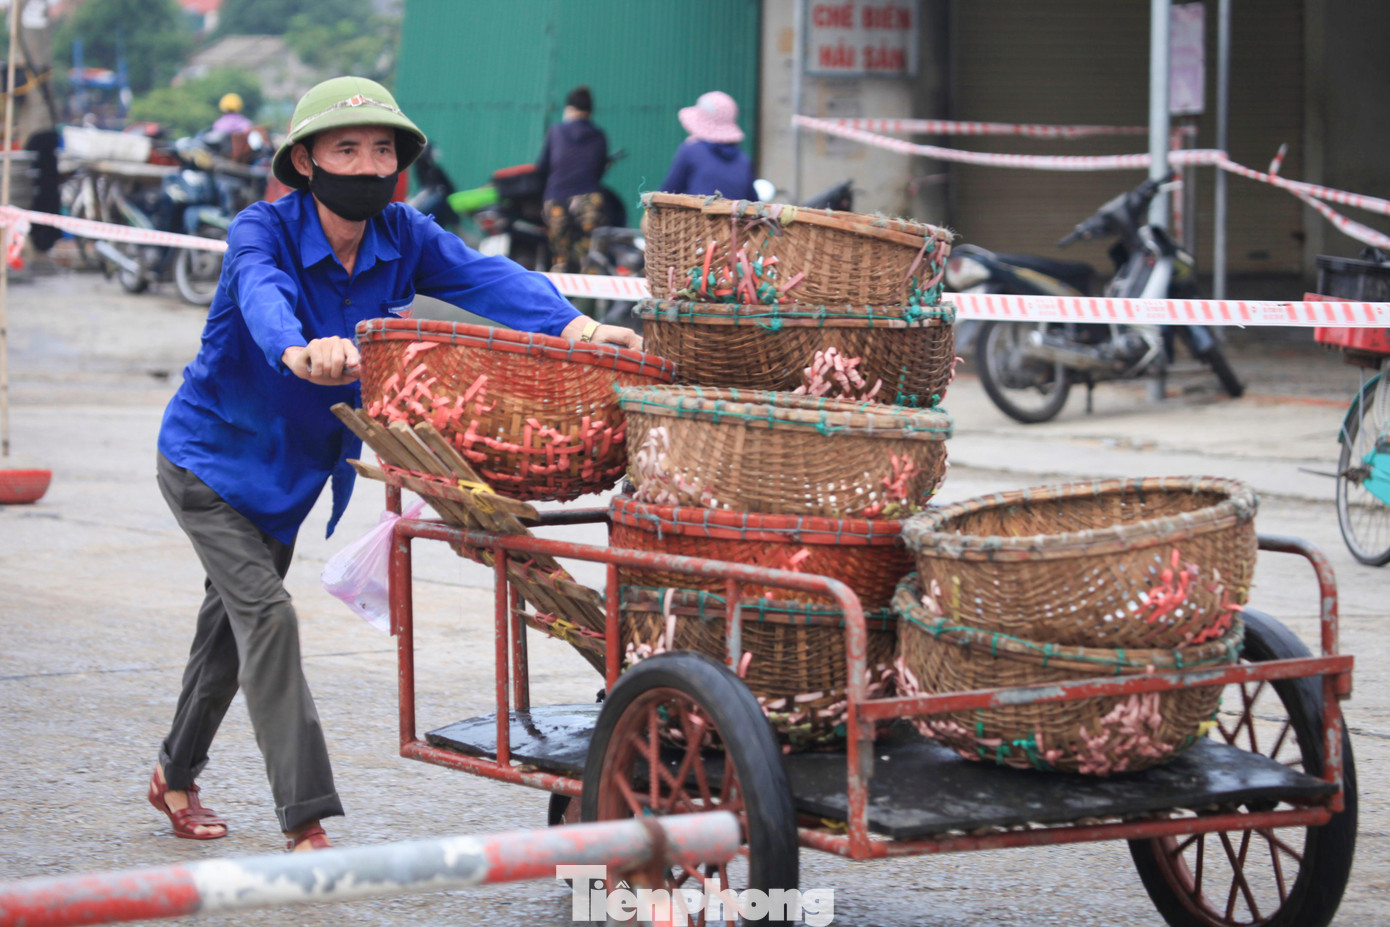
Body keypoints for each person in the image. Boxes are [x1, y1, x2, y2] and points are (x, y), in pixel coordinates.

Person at [148, 76, 639, 853]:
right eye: (348, 149)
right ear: (306, 161)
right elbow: (261, 292)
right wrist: (297, 346)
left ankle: (173, 775)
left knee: (232, 631)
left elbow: (485, 277)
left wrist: (576, 327)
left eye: (383, 150)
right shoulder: (261, 228)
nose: (369, 164)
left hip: (293, 475)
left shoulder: (402, 234)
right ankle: (305, 817)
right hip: (211, 463)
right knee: (266, 617)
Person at [535, 85, 608, 273]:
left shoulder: (556, 131)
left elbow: (542, 166)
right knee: (588, 258)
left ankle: (557, 298)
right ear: (590, 111)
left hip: (557, 197)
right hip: (589, 200)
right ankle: (587, 299)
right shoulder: (599, 135)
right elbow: (599, 170)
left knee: (560, 258)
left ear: (569, 109)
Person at [660, 91, 756, 201]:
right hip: (735, 218)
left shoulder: (691, 151)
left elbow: (666, 194)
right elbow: (753, 200)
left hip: (698, 218)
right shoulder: (743, 159)